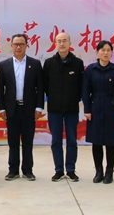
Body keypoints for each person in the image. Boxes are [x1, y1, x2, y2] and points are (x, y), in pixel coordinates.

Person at [0, 33, 44, 181]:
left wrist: (39, 107)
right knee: (13, 142)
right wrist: (1, 108)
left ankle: (28, 170)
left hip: (29, 109)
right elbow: (0, 89)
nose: (18, 47)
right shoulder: (4, 65)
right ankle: (13, 170)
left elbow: (40, 88)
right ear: (11, 46)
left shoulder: (35, 64)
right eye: (16, 44)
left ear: (26, 46)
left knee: (28, 142)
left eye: (21, 44)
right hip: (12, 109)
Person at [83, 40, 114, 184]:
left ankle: (109, 172)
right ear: (97, 52)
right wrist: (87, 109)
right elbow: (85, 91)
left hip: (112, 107)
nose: (105, 53)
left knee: (110, 142)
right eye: (102, 50)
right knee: (96, 142)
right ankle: (99, 171)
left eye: (108, 50)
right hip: (95, 107)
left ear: (112, 53)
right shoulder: (90, 69)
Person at [43, 32, 83, 182]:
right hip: (54, 110)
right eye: (59, 41)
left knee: (72, 141)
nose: (62, 44)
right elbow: (45, 85)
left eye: (64, 41)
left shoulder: (77, 63)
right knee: (56, 141)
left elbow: (81, 86)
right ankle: (59, 170)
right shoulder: (49, 63)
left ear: (70, 43)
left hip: (72, 110)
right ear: (55, 44)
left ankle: (71, 170)